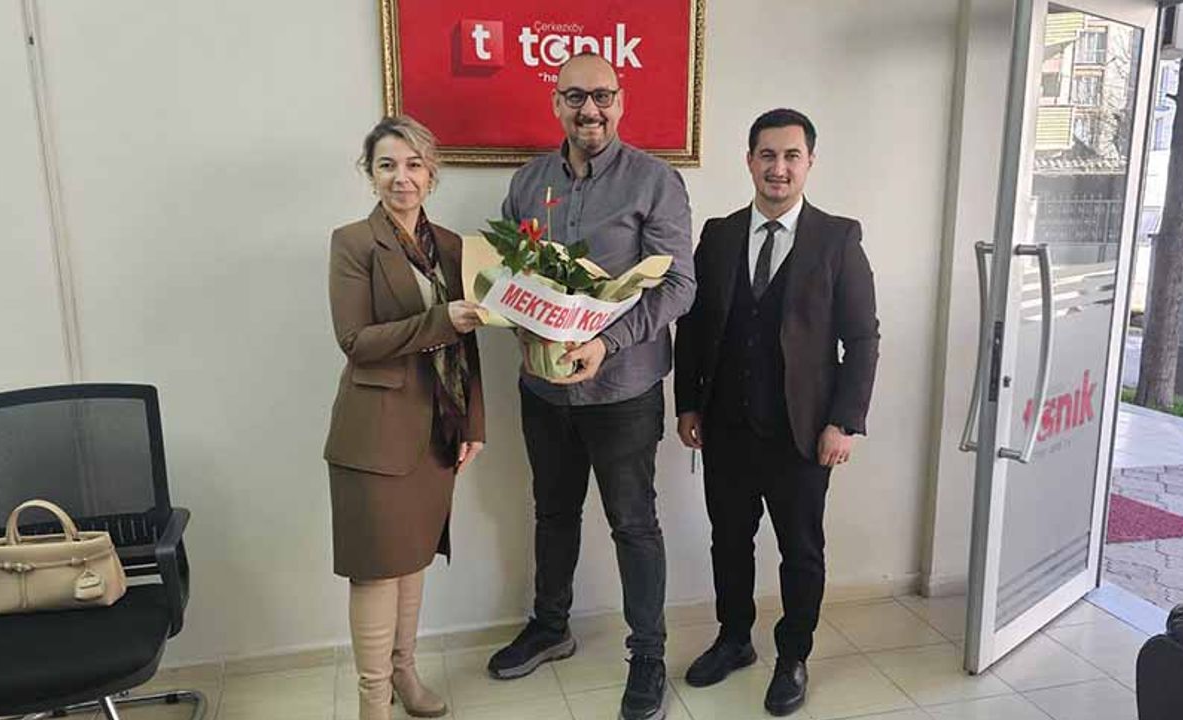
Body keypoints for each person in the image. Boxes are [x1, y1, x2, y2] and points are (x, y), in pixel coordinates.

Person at [486, 52, 696, 720]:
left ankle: (648, 657)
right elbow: (511, 276)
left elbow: (679, 286)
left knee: (633, 524)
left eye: (602, 95)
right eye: (575, 96)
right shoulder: (528, 183)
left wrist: (606, 342)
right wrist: (523, 328)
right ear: (556, 103)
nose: (590, 110)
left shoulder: (655, 182)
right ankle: (552, 627)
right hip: (544, 390)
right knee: (552, 512)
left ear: (621, 100)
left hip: (623, 392)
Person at [673, 108, 880, 716]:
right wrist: (688, 403)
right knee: (729, 542)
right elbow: (694, 328)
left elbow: (862, 339)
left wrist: (844, 421)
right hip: (727, 427)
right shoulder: (718, 236)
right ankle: (734, 639)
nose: (779, 168)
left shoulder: (838, 238)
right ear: (749, 161)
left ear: (809, 162)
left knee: (801, 550)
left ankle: (793, 655)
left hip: (803, 432)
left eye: (792, 156)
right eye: (767, 155)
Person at [324, 115, 486, 720]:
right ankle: (373, 701)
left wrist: (474, 423)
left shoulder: (452, 246)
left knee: (414, 557)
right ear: (370, 173)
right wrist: (441, 321)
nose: (402, 177)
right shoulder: (353, 243)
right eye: (387, 165)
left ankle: (405, 673)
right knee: (375, 570)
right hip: (374, 435)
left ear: (431, 173)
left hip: (437, 431)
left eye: (414, 164)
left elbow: (468, 344)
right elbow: (355, 341)